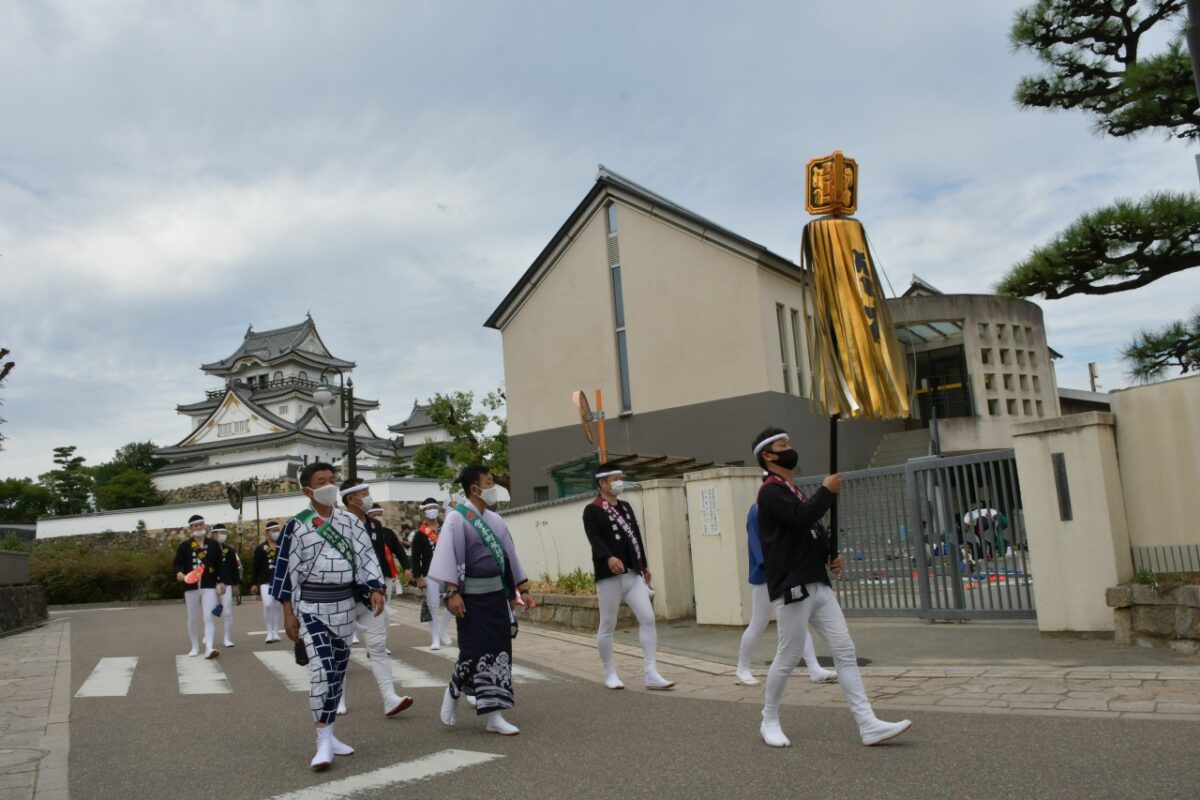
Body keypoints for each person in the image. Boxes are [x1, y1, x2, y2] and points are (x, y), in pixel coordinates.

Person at [752, 427, 911, 748]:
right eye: (784, 445)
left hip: (817, 584)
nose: (790, 449)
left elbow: (809, 529)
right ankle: (769, 718)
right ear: (768, 455)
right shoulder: (770, 491)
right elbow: (800, 517)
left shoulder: (791, 488)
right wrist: (826, 491)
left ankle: (867, 723)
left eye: (789, 443)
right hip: (794, 586)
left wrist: (829, 554)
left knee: (845, 651)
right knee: (788, 655)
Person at [270, 462, 388, 771]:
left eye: (332, 480)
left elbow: (366, 558)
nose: (329, 485)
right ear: (307, 490)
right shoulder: (296, 526)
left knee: (337, 671)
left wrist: (375, 587)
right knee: (321, 670)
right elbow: (285, 571)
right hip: (311, 609)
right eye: (321, 481)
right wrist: (288, 613)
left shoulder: (350, 521)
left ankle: (331, 732)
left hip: (344, 607)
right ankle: (322, 740)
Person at [428, 465, 536, 736]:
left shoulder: (497, 521)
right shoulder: (457, 518)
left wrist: (519, 590)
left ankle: (494, 716)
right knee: (473, 653)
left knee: (499, 652)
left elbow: (510, 557)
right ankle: (453, 692)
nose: (493, 487)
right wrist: (452, 593)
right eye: (489, 482)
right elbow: (448, 556)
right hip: (471, 599)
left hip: (496, 596)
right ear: (475, 489)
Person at [582, 464, 674, 690]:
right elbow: (595, 539)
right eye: (615, 479)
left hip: (632, 575)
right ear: (603, 483)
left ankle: (651, 672)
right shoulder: (592, 510)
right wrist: (608, 558)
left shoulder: (626, 507)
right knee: (607, 624)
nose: (620, 482)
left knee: (648, 618)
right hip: (609, 576)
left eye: (621, 478)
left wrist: (643, 564)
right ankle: (610, 672)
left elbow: (636, 537)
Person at [736, 500, 837, 687]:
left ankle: (814, 668)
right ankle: (742, 669)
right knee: (759, 622)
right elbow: (759, 545)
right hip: (765, 576)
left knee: (797, 619)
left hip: (785, 574)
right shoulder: (758, 509)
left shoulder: (778, 506)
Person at [338, 479, 415, 718]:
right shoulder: (335, 524)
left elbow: (375, 559)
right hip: (341, 597)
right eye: (365, 493)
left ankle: (389, 697)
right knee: (339, 651)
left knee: (378, 647)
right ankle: (336, 698)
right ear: (351, 499)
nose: (369, 497)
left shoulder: (373, 525)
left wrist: (379, 588)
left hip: (370, 596)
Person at [172, 514, 225, 659]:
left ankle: (209, 648)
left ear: (204, 525)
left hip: (209, 584)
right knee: (192, 617)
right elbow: (176, 564)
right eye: (195, 525)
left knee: (208, 616)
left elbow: (220, 564)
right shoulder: (185, 546)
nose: (199, 527)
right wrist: (179, 573)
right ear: (191, 528)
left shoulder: (213, 544)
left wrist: (221, 581)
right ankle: (194, 646)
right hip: (191, 585)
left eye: (201, 524)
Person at [411, 498, 452, 650]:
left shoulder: (446, 527)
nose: (433, 509)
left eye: (435, 506)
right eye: (429, 507)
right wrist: (418, 577)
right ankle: (435, 638)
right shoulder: (420, 534)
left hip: (448, 571)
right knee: (433, 606)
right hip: (431, 574)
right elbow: (415, 557)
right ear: (424, 512)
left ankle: (443, 628)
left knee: (453, 600)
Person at [366, 505, 411, 600]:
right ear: (368, 516)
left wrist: (406, 567)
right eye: (375, 515)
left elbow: (399, 551)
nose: (378, 517)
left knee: (386, 600)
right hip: (370, 573)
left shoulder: (388, 533)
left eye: (380, 515)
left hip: (386, 571)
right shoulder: (364, 531)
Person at [251, 521, 284, 643]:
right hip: (265, 581)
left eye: (278, 530)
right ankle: (269, 631)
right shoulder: (261, 549)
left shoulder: (283, 546)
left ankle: (276, 631)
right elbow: (255, 567)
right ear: (267, 532)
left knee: (277, 606)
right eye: (273, 530)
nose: (276, 533)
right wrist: (254, 583)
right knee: (268, 604)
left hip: (279, 580)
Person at [212, 523, 240, 648]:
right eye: (220, 533)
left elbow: (234, 568)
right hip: (210, 585)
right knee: (209, 612)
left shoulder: (230, 550)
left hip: (227, 584)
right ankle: (208, 635)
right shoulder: (207, 550)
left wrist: (235, 585)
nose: (222, 535)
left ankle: (227, 638)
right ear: (213, 534)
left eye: (224, 533)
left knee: (227, 612)